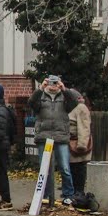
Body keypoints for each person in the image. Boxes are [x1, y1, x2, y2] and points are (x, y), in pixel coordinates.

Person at [29, 74, 80, 204]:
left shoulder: (64, 97)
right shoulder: (41, 96)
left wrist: (64, 89)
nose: (53, 85)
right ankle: (45, 195)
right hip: (44, 136)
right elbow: (31, 103)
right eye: (51, 83)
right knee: (44, 168)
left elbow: (75, 102)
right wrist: (40, 88)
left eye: (55, 82)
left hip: (60, 136)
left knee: (65, 167)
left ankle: (68, 194)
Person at [68, 93, 92, 197]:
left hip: (77, 144)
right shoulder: (68, 107)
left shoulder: (81, 108)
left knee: (79, 169)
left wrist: (82, 145)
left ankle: (79, 193)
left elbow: (84, 127)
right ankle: (74, 193)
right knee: (72, 169)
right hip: (70, 144)